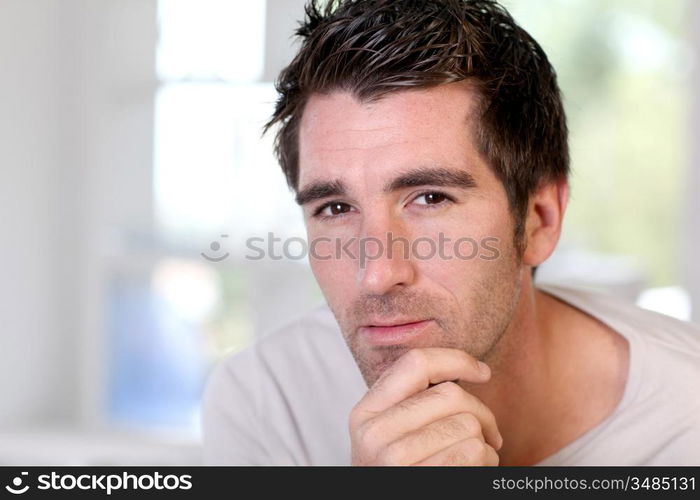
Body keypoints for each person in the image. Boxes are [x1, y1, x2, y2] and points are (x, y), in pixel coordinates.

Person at [202, 0, 700, 465]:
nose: (376, 275)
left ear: (539, 220)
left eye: (431, 198)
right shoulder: (265, 400)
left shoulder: (686, 420)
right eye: (335, 207)